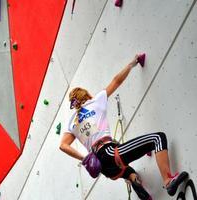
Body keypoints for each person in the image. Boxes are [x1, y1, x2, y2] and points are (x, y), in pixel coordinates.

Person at [59, 55, 188, 200]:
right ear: (86, 95)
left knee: (128, 171)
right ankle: (168, 180)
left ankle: (136, 183)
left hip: (104, 168)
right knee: (157, 138)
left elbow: (63, 146)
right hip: (109, 153)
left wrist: (85, 158)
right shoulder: (95, 102)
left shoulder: (72, 122)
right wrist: (132, 63)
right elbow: (116, 81)